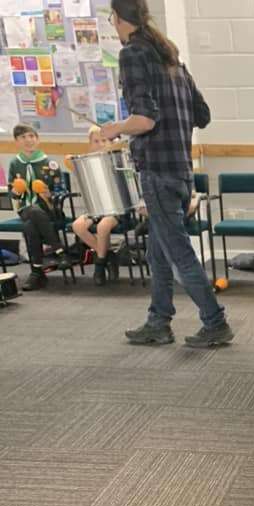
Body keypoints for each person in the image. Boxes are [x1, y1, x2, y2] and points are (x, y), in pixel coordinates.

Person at [102, 0, 233, 348]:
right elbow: (202, 115)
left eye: (111, 19)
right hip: (180, 171)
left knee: (178, 252)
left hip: (158, 171)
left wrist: (114, 129)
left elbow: (144, 119)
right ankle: (158, 321)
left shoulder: (133, 54)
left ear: (117, 18)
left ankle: (215, 322)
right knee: (157, 252)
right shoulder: (173, 60)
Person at [8, 124, 70, 292]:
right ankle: (59, 250)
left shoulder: (50, 163)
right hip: (25, 208)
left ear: (37, 139)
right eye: (23, 137)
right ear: (16, 142)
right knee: (32, 212)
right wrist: (16, 191)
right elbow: (12, 194)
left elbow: (61, 190)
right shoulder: (15, 164)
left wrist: (48, 193)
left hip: (48, 209)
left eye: (31, 136)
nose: (28, 140)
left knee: (30, 224)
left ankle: (37, 273)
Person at [70, 126, 123, 286]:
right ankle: (108, 255)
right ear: (90, 143)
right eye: (96, 141)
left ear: (110, 142)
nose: (100, 144)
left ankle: (99, 265)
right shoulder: (86, 163)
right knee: (77, 226)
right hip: (94, 208)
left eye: (104, 140)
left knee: (103, 226)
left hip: (116, 208)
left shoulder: (116, 160)